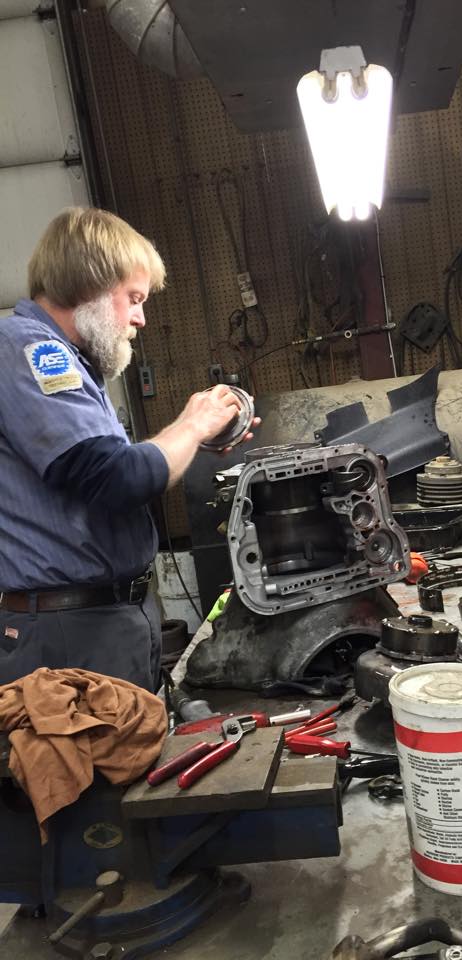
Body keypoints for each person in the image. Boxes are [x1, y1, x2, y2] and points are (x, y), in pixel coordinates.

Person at [0, 207, 258, 692]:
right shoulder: (33, 350)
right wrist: (191, 425)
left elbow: (106, 472)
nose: (140, 317)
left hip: (100, 621)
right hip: (70, 633)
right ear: (88, 285)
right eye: (133, 298)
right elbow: (114, 478)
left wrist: (191, 439)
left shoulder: (73, 365)